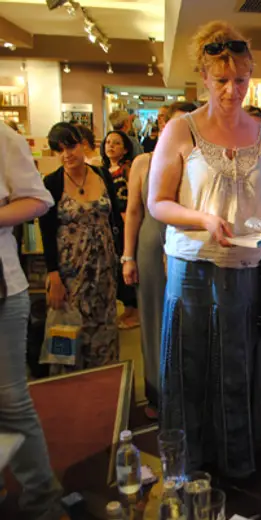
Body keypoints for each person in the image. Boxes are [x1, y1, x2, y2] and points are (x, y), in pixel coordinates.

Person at [147, 21, 261, 478]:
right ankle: (189, 461)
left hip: (246, 266)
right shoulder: (180, 130)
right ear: (204, 77)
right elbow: (157, 203)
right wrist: (203, 219)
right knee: (190, 364)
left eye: (241, 80)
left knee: (238, 363)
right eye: (222, 79)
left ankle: (236, 457)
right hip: (192, 266)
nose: (233, 90)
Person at [0, 121, 70, 520]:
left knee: (10, 399)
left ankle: (42, 500)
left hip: (3, 288)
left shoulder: (3, 138)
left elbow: (38, 200)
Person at [122, 101, 198, 420]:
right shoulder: (143, 162)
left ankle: (189, 394)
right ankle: (157, 393)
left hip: (189, 250)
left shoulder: (200, 163)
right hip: (151, 250)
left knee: (190, 321)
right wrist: (128, 256)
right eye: (172, 123)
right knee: (154, 320)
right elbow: (133, 212)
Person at [39, 122, 124, 373]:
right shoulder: (52, 183)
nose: (67, 154)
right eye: (59, 150)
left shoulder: (102, 175)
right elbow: (46, 231)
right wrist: (53, 274)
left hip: (104, 270)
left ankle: (104, 381)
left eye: (71, 147)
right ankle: (64, 385)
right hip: (69, 272)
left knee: (103, 328)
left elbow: (115, 221)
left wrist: (123, 258)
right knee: (66, 329)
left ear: (83, 145)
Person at [101, 130, 139, 329]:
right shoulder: (101, 170)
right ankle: (127, 308)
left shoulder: (128, 169)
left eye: (116, 143)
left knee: (128, 263)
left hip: (126, 222)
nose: (111, 146)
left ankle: (135, 310)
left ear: (125, 149)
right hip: (111, 224)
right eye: (108, 142)